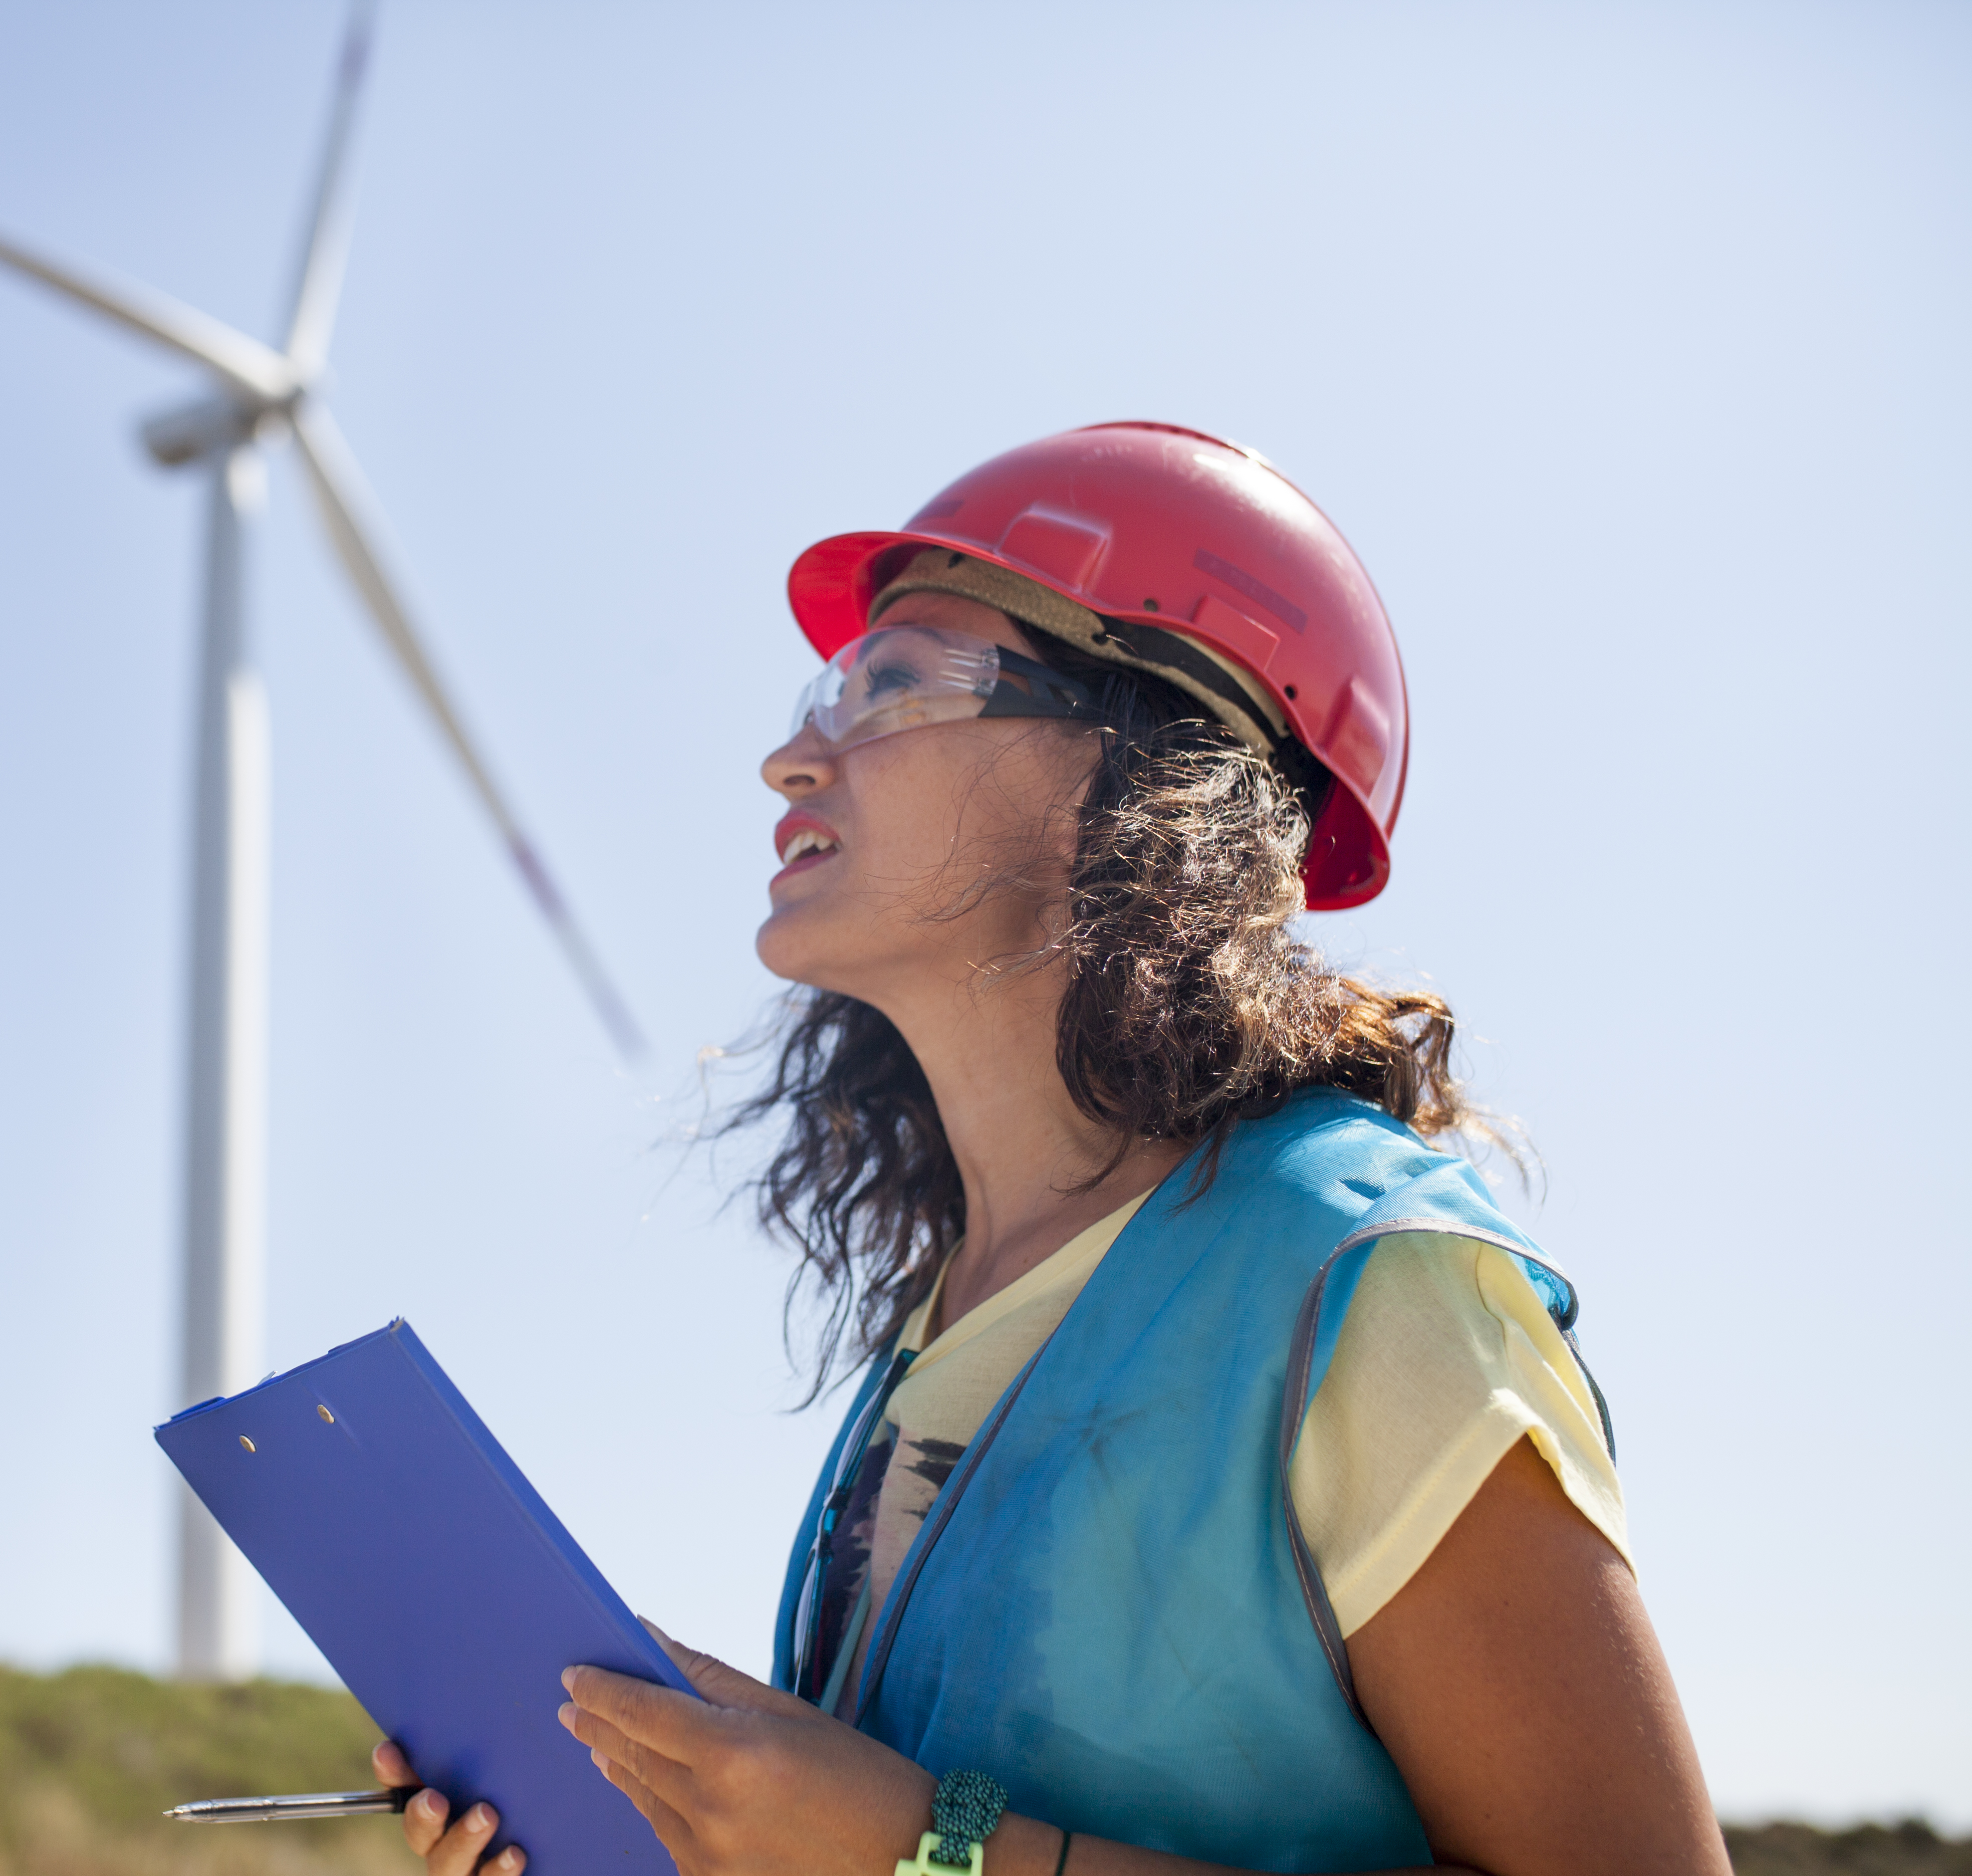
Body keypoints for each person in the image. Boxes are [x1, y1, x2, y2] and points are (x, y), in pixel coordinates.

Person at [371, 424, 1730, 1876]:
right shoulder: (949, 1317)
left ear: (1132, 773)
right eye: (829, 693)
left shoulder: (1362, 1279)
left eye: (895, 684)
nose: (791, 757)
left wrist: (924, 1855)